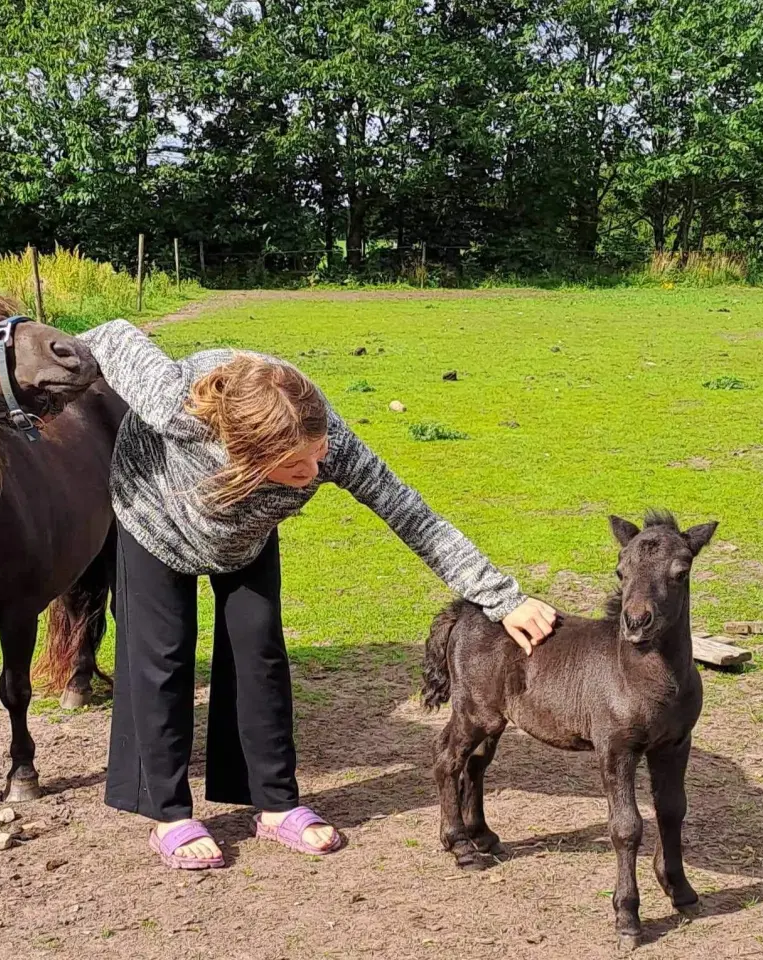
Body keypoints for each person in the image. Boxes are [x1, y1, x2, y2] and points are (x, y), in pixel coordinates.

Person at [77, 319, 557, 870]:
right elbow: (111, 334)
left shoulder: (329, 444)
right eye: (294, 466)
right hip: (152, 517)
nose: (313, 474)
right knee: (161, 655)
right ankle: (167, 811)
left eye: (318, 454)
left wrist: (503, 597)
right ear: (242, 453)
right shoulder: (173, 406)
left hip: (243, 533)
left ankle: (276, 804)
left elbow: (414, 517)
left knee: (258, 649)